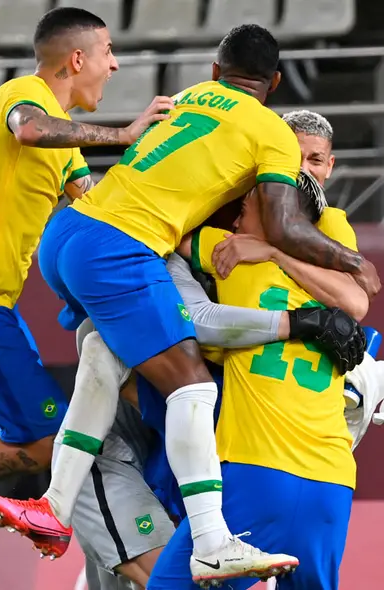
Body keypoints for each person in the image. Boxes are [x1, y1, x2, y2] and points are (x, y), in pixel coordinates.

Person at [28, 24, 378, 582]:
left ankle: (55, 505)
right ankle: (84, 511)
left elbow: (351, 303)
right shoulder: (227, 241)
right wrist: (310, 308)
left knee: (100, 350)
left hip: (80, 233)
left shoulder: (195, 108)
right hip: (289, 472)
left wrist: (274, 253)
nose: (300, 173)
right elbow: (231, 310)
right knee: (158, 373)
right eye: (293, 164)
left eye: (315, 162)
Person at [0, 6, 171, 496]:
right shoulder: (23, 93)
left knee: (11, 418)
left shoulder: (65, 142)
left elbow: (100, 207)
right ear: (76, 60)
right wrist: (122, 134)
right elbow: (30, 129)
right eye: (107, 51)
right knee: (47, 443)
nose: (115, 64)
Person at [146, 173, 357, 589]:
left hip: (257, 473)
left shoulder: (236, 260)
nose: (236, 223)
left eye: (243, 210)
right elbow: (359, 294)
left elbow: (165, 231)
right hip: (332, 486)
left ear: (278, 215)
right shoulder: (336, 288)